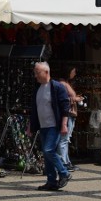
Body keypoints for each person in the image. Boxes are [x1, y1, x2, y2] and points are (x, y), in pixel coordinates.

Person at [29, 61, 72, 191]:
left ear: (46, 72)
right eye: (35, 73)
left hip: (54, 125)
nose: (35, 75)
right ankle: (51, 181)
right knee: (46, 154)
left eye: (38, 73)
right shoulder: (38, 88)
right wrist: (30, 125)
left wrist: (64, 124)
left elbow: (65, 107)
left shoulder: (57, 87)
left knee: (48, 150)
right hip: (43, 126)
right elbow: (34, 108)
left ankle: (64, 173)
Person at [57, 66, 84, 172]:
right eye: (73, 72)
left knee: (66, 139)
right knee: (63, 139)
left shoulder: (66, 83)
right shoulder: (62, 84)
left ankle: (66, 161)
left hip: (70, 114)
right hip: (67, 114)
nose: (74, 74)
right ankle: (63, 163)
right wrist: (75, 99)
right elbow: (62, 99)